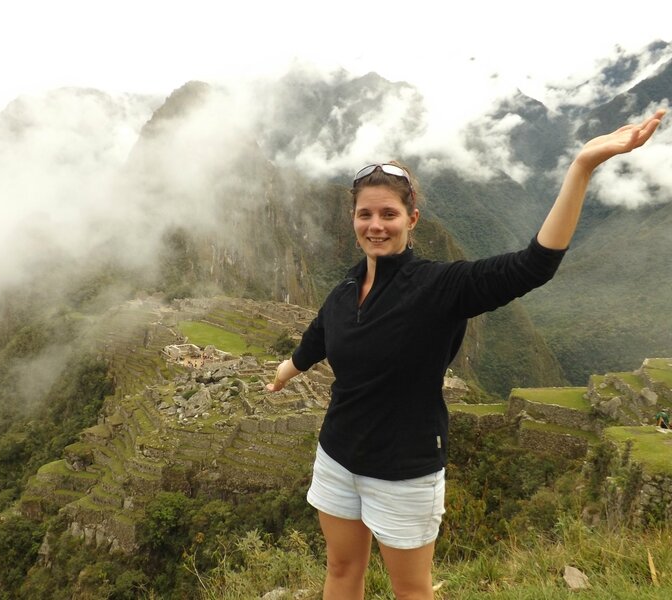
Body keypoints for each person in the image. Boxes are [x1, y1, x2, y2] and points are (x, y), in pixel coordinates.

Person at [266, 109, 666, 600]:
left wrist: (580, 168)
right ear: (352, 219)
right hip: (337, 458)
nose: (375, 225)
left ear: (412, 219)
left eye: (388, 214)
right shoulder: (348, 286)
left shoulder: (441, 287)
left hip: (405, 471)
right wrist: (288, 369)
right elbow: (321, 335)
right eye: (365, 214)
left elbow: (533, 266)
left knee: (411, 591)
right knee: (341, 570)